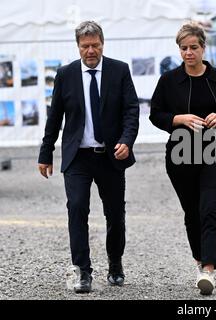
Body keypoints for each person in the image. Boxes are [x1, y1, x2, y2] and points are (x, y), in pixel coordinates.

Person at [38, 21, 139, 293]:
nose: (91, 51)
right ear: (78, 47)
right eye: (85, 46)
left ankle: (115, 262)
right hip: (78, 158)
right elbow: (54, 117)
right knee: (77, 208)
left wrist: (126, 141)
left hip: (110, 156)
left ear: (103, 44)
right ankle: (82, 271)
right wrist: (45, 153)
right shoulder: (66, 74)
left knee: (115, 214)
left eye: (95, 45)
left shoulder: (119, 70)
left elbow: (131, 111)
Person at [149, 22, 216, 296]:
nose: (189, 53)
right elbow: (156, 114)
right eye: (184, 48)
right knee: (193, 212)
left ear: (203, 48)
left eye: (193, 48)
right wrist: (178, 119)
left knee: (211, 209)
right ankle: (200, 260)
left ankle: (209, 270)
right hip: (181, 154)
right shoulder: (169, 81)